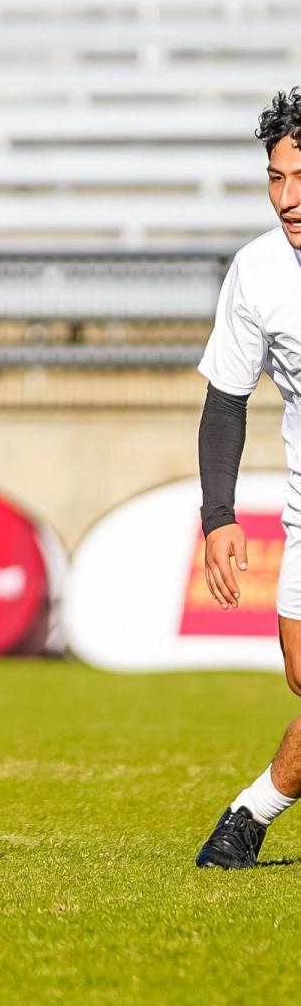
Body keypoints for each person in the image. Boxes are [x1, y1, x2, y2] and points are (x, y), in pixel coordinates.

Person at [195, 89, 301, 869]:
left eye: (300, 177)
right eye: (275, 178)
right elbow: (226, 401)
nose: (287, 198)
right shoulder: (258, 271)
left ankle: (249, 815)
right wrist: (219, 513)